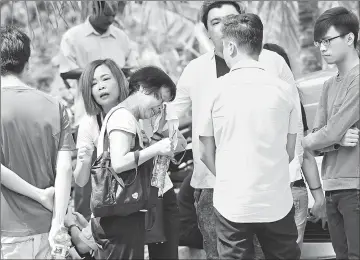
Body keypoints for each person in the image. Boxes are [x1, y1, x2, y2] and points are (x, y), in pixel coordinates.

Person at [172, 1, 302, 258]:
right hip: (214, 190)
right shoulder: (194, 71)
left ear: (245, 22)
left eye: (229, 20)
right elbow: (172, 117)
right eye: (215, 23)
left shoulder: (275, 63)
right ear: (207, 31)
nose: (222, 28)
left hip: (267, 188)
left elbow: (295, 133)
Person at [74, 60, 183, 259]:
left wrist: (164, 140)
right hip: (123, 202)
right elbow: (86, 178)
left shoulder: (147, 110)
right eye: (93, 83)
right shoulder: (99, 122)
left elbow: (179, 142)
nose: (101, 86)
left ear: (121, 81)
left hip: (153, 195)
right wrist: (84, 161)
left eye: (106, 78)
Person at [59, 0, 138, 221]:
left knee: (122, 172)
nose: (112, 19)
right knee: (89, 176)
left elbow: (133, 67)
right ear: (94, 8)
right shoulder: (73, 37)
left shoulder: (121, 37)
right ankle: (86, 228)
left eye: (114, 16)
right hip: (89, 116)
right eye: (107, 15)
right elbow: (65, 71)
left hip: (122, 116)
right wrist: (102, 72)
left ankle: (120, 219)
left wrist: (120, 73)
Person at [1, 26, 75, 258]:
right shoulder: (56, 106)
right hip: (48, 230)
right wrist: (58, 223)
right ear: (27, 63)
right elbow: (64, 168)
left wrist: (37, 193)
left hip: (7, 233)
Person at [303, 7, 360, 260]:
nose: (322, 48)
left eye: (328, 40)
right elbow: (315, 140)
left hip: (355, 186)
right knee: (342, 256)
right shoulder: (328, 85)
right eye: (319, 42)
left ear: (350, 38)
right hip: (332, 188)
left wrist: (326, 136)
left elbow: (329, 131)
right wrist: (334, 142)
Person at [263, 43, 327, 249]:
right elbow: (305, 151)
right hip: (288, 191)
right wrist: (317, 197)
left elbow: (304, 151)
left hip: (282, 192)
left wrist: (318, 198)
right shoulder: (291, 100)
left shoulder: (289, 102)